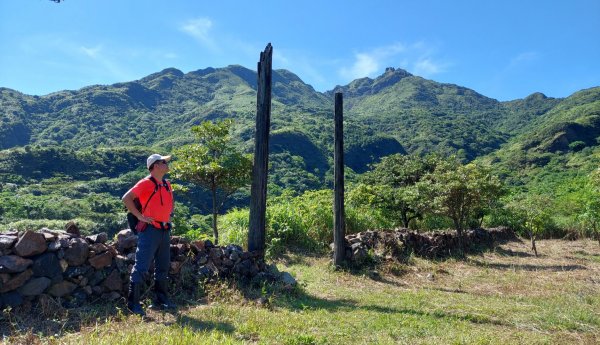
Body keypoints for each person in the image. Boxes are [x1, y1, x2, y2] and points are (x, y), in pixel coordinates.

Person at [122, 153, 176, 316]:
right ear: (155, 166)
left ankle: (161, 300)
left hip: (164, 229)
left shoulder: (167, 184)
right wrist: (140, 216)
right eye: (163, 162)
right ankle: (133, 304)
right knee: (141, 266)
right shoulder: (145, 183)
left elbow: (168, 205)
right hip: (150, 230)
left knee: (163, 266)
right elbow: (126, 198)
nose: (167, 164)